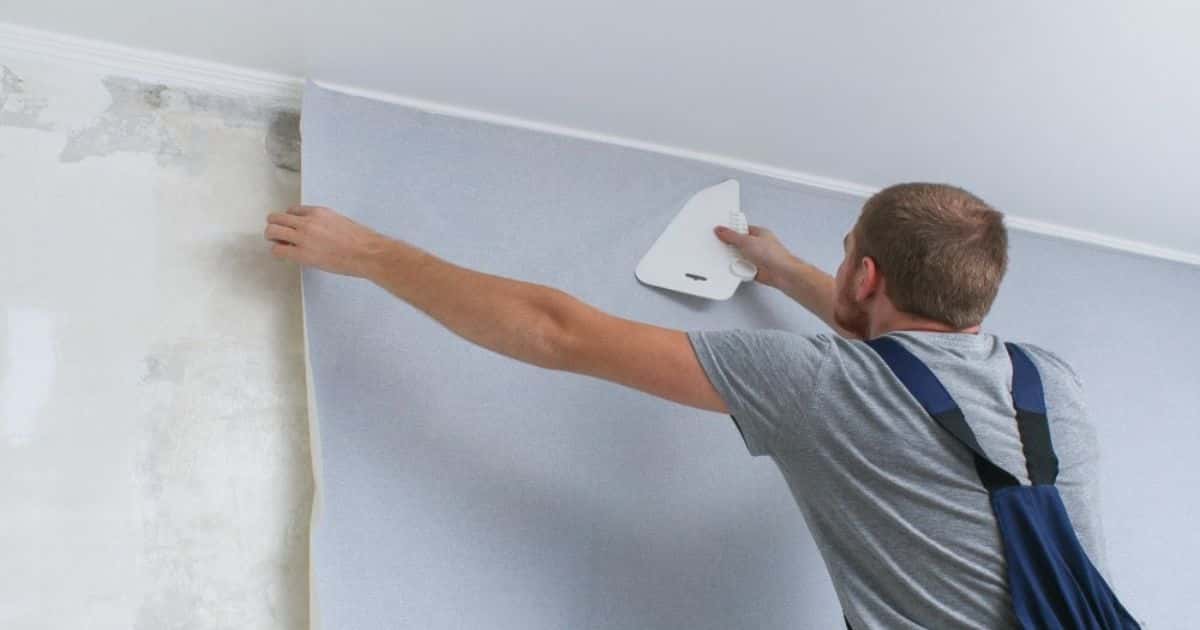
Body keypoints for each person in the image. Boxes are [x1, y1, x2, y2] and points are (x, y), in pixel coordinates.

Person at [264, 182, 1134, 628]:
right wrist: (789, 268)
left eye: (845, 261)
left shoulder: (824, 386)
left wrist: (369, 252)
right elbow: (915, 364)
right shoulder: (1050, 383)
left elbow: (557, 330)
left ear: (865, 276)